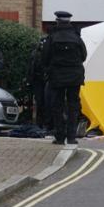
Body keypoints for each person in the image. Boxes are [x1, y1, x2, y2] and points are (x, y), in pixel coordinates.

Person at [43, 11, 87, 145]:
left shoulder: (52, 37)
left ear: (57, 21)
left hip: (57, 76)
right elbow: (83, 55)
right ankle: (72, 137)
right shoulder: (76, 37)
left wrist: (49, 69)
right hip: (74, 76)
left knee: (58, 106)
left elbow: (45, 57)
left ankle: (60, 137)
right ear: (69, 22)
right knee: (73, 106)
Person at [25, 37, 49, 129]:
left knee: (47, 102)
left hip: (47, 80)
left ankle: (46, 123)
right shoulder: (35, 53)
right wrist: (28, 80)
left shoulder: (49, 54)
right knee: (39, 102)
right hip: (37, 80)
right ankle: (39, 123)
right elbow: (30, 68)